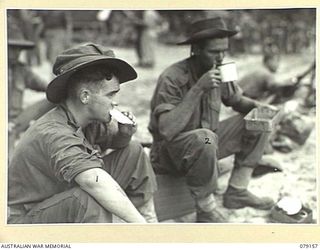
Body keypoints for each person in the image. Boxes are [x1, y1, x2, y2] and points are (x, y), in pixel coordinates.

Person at [8, 43, 158, 224]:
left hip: (63, 197)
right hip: (31, 219)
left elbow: (115, 144)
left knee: (133, 151)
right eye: (110, 95)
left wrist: (124, 134)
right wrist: (143, 229)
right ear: (85, 96)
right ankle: (139, 230)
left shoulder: (87, 120)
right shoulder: (53, 131)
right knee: (88, 198)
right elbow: (92, 181)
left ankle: (144, 223)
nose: (114, 103)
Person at [148, 17, 276, 223]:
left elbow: (236, 100)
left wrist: (259, 107)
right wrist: (199, 88)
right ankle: (206, 210)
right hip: (171, 153)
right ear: (196, 50)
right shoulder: (172, 77)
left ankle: (237, 190)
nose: (221, 57)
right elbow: (167, 130)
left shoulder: (221, 69)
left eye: (224, 51)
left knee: (257, 121)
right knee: (206, 138)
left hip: (207, 146)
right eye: (214, 52)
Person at [7, 16, 53, 161]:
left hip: (17, 120)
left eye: (19, 49)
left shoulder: (22, 70)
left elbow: (47, 87)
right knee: (9, 161)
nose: (16, 54)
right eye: (11, 48)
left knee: (57, 97)